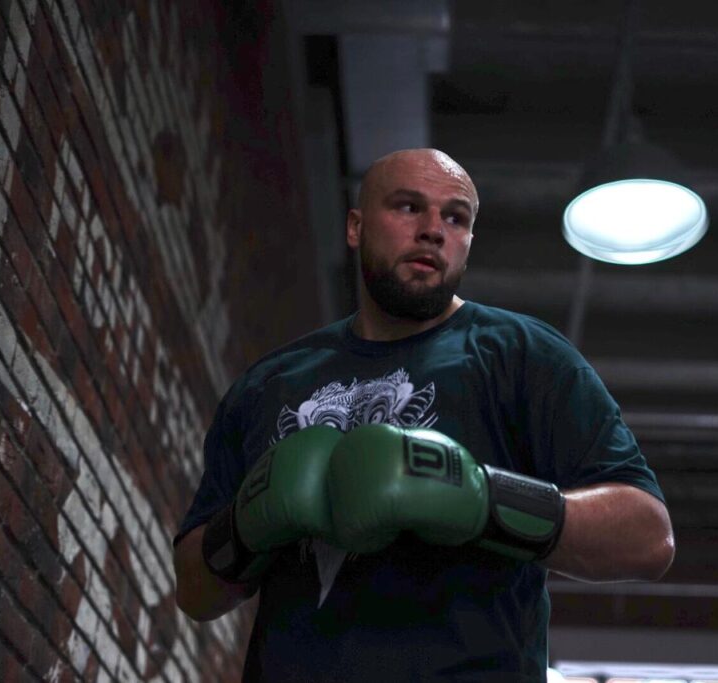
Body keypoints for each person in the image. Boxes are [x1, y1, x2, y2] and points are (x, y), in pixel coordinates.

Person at [173, 148, 675, 681]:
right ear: (355, 227)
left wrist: (482, 498)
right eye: (408, 207)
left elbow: (648, 537)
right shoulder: (268, 385)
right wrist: (248, 523)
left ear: (468, 242)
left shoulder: (524, 357)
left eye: (455, 218)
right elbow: (196, 593)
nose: (434, 230)